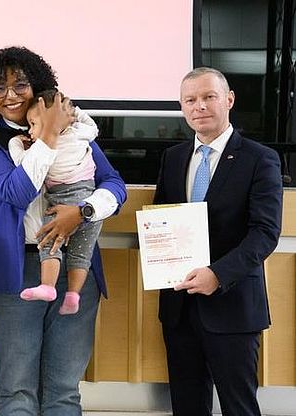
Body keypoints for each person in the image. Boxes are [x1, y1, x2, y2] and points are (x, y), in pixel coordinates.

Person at [0, 46, 127, 415]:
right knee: (17, 391)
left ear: (37, 86)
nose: (10, 96)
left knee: (64, 391)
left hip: (74, 268)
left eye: (20, 85)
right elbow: (16, 191)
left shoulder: (73, 130)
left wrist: (82, 212)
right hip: (16, 270)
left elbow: (115, 185)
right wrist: (49, 134)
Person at [154, 67, 283, 415]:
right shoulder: (173, 158)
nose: (200, 106)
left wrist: (218, 275)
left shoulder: (260, 159)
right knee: (187, 407)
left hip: (233, 305)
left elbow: (265, 233)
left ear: (228, 100)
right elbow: (161, 221)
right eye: (190, 100)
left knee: (239, 407)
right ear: (182, 107)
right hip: (180, 307)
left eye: (209, 97)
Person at [9, 90, 103, 315]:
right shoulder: (80, 133)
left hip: (64, 199)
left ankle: (47, 286)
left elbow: (24, 169)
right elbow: (93, 127)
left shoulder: (46, 149)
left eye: (33, 124)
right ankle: (73, 295)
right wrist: (74, 113)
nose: (30, 131)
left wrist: (16, 143)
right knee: (82, 253)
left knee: (48, 242)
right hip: (89, 196)